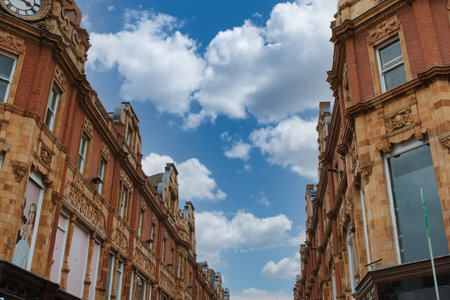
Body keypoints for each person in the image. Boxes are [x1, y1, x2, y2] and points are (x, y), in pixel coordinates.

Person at [12, 202, 37, 269]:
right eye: (31, 212)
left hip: (26, 254)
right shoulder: (25, 226)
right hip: (19, 250)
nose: (32, 215)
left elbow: (32, 247)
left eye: (33, 213)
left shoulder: (35, 230)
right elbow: (21, 237)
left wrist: (29, 236)